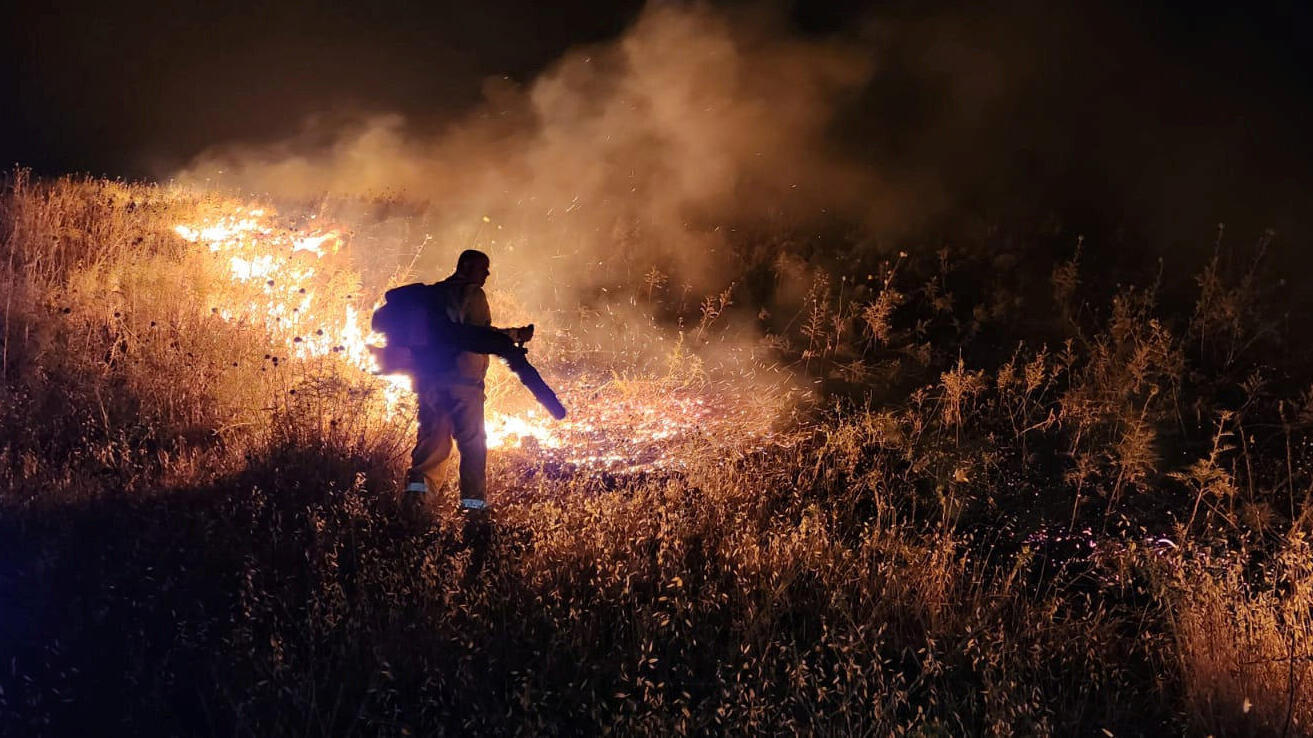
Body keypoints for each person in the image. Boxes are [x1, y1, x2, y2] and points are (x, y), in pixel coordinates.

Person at [405, 249, 531, 513]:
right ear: (466, 267)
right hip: (463, 385)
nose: (487, 274)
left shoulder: (435, 294)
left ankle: (415, 509)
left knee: (430, 448)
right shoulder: (472, 294)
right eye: (482, 268)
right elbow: (477, 336)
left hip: (431, 385)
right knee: (473, 449)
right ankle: (473, 513)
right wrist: (510, 339)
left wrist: (510, 334)